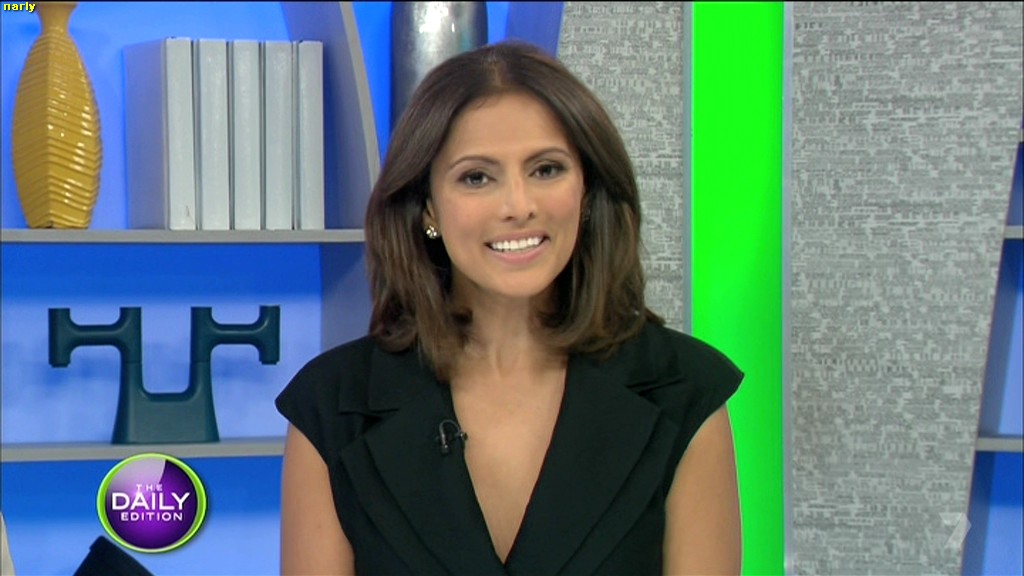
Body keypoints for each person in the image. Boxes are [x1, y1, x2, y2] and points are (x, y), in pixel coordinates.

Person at [275, 40, 744, 575]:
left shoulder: (684, 392)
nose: (519, 206)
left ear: (586, 191)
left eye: (546, 169)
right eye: (477, 177)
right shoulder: (333, 406)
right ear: (427, 208)